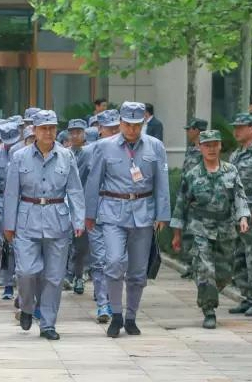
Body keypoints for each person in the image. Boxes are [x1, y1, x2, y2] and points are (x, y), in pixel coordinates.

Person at [85, 101, 170, 338]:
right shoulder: (104, 147)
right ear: (120, 123)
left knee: (138, 271)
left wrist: (162, 214)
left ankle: (131, 315)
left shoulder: (155, 147)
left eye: (136, 125)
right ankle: (115, 314)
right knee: (112, 262)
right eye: (128, 124)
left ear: (143, 122)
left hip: (143, 211)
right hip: (113, 210)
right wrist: (89, 214)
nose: (132, 130)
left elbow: (162, 183)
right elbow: (94, 181)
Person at [3, 110, 85, 340]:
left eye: (52, 127)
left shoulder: (67, 156)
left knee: (54, 276)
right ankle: (27, 306)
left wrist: (78, 220)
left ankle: (48, 323)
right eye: (43, 128)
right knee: (26, 271)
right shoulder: (19, 156)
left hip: (57, 219)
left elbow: (75, 191)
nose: (48, 132)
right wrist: (9, 225)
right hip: (27, 219)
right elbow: (11, 193)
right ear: (34, 131)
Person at [171, 129, 250, 329]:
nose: (212, 149)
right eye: (207, 145)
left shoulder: (231, 170)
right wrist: (177, 235)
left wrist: (243, 217)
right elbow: (181, 205)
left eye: (215, 144)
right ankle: (209, 310)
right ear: (200, 148)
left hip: (225, 228)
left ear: (221, 146)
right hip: (200, 228)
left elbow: (240, 196)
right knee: (205, 269)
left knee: (224, 273)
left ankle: (209, 294)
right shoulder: (192, 175)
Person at [228, 113, 252, 316]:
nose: (236, 131)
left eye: (241, 127)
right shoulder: (236, 154)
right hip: (238, 211)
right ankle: (246, 297)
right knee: (239, 256)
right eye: (235, 126)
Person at [87, 109, 121, 324]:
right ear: (100, 129)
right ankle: (103, 304)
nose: (115, 131)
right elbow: (77, 183)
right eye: (111, 128)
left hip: (121, 215)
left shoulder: (128, 151)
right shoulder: (89, 151)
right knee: (100, 260)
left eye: (117, 127)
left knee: (117, 261)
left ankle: (114, 299)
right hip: (97, 214)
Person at [0, 123, 21, 299]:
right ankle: (7, 282)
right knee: (4, 244)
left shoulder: (24, 153)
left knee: (21, 245)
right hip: (1, 201)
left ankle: (20, 281)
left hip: (22, 202)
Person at [179, 118, 208, 279]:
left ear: (197, 130)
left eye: (190, 129)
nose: (188, 132)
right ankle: (191, 265)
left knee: (199, 233)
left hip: (199, 199)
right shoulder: (191, 149)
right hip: (187, 196)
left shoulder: (207, 149)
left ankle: (199, 267)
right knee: (188, 233)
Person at [65, 119, 91, 295]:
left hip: (84, 205)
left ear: (84, 134)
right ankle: (67, 274)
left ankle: (79, 276)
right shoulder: (64, 154)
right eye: (72, 132)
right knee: (65, 243)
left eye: (78, 132)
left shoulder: (91, 154)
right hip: (65, 205)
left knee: (81, 245)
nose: (75, 135)